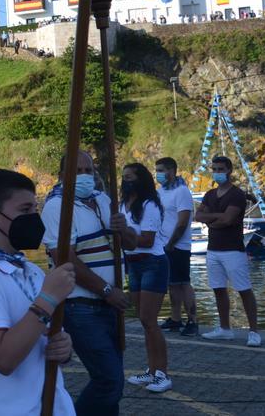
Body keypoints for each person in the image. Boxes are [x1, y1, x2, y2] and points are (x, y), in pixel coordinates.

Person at [0, 169, 76, 415]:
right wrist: (48, 299)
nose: (34, 217)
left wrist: (64, 348)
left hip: (52, 406)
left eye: (34, 209)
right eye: (25, 210)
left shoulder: (31, 270)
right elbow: (3, 358)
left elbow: (47, 338)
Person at [41, 151, 127, 416]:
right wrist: (106, 290)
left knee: (114, 383)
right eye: (77, 171)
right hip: (81, 306)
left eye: (88, 170)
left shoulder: (103, 199)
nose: (84, 176)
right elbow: (65, 257)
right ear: (63, 175)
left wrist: (123, 228)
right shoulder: (57, 206)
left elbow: (132, 244)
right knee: (109, 381)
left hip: (109, 306)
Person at [115, 163, 172, 393]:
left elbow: (147, 240)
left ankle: (162, 373)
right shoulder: (122, 205)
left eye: (130, 177)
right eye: (123, 177)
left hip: (153, 264)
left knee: (150, 320)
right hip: (133, 264)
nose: (126, 181)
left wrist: (125, 235)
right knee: (143, 321)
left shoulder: (149, 205)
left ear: (141, 179)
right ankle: (151, 370)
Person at [195, 157, 261, 347]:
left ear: (230, 170)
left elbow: (228, 220)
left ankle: (254, 331)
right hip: (213, 249)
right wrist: (216, 217)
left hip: (233, 249)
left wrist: (211, 220)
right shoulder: (209, 194)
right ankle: (224, 328)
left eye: (221, 169)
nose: (217, 172)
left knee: (244, 289)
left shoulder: (237, 195)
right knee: (218, 289)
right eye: (214, 169)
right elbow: (198, 215)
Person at [154, 158, 197, 336]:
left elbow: (182, 221)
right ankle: (176, 318)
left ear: (171, 170)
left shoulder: (182, 192)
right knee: (172, 284)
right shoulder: (160, 192)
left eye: (161, 170)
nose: (158, 174)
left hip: (177, 246)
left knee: (183, 283)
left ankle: (193, 321)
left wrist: (171, 243)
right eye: (156, 170)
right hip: (163, 244)